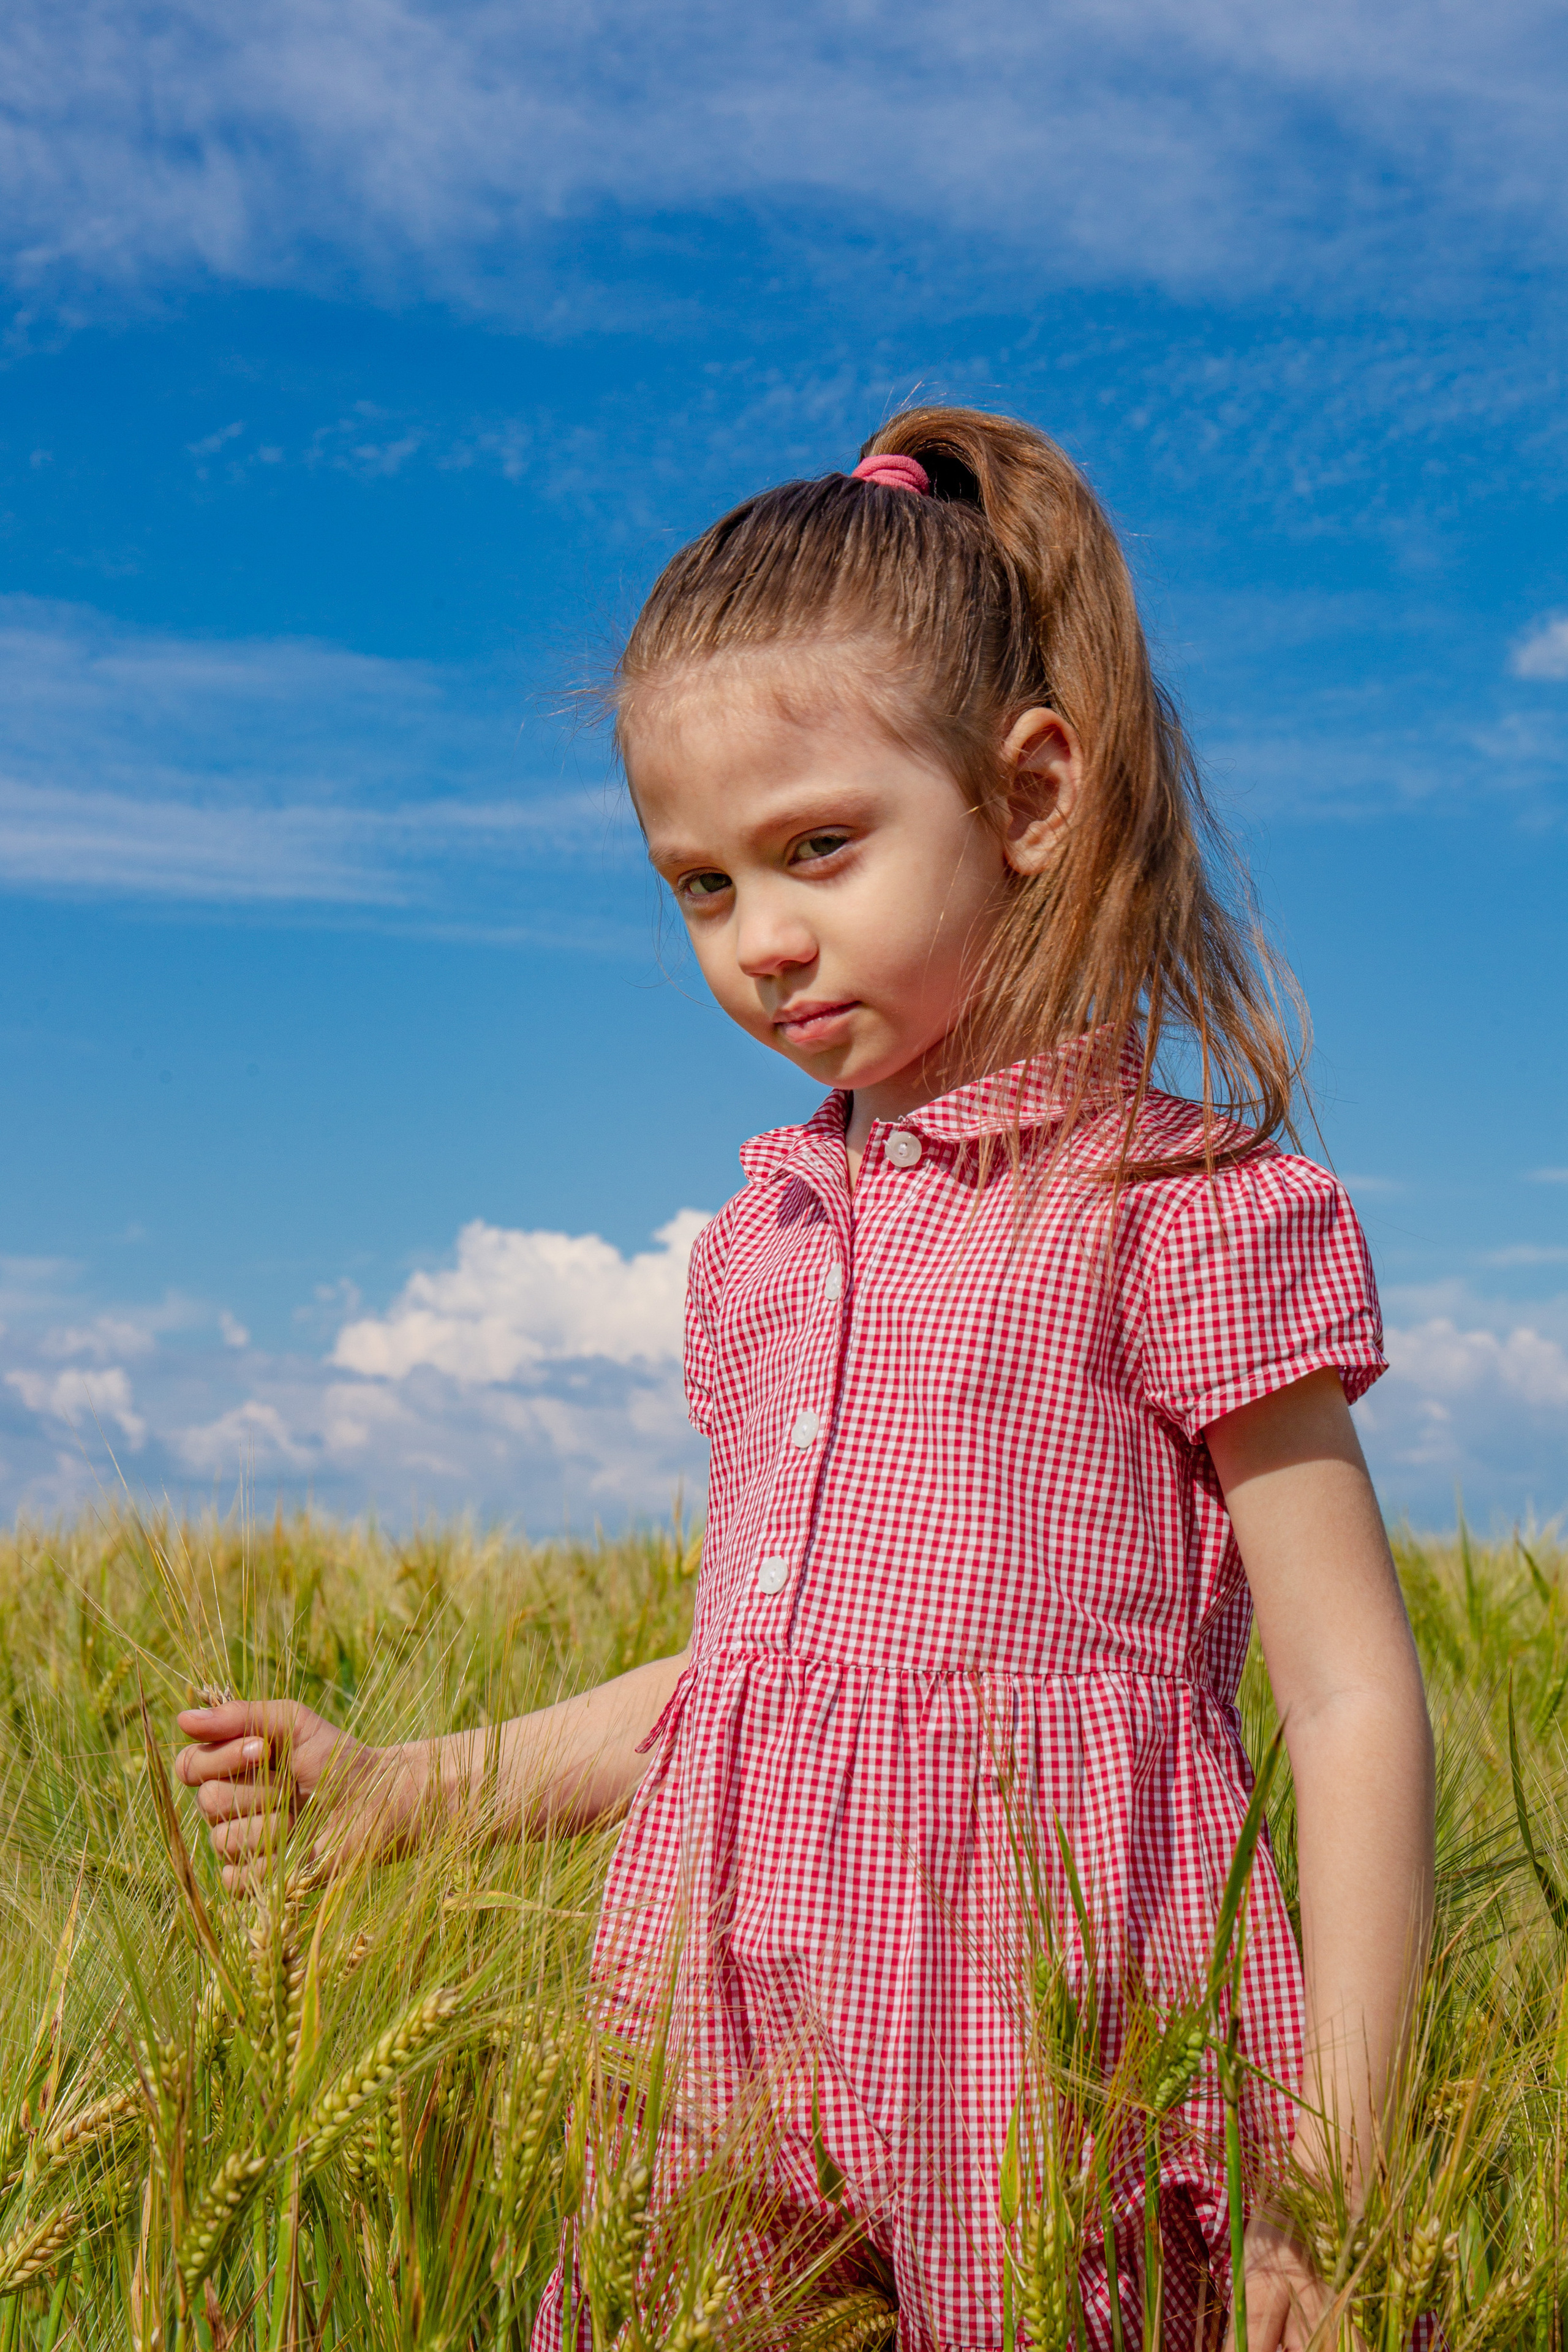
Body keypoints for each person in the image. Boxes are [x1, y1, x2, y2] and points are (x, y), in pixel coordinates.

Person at [175, 409, 1435, 2352]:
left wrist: (1338, 2188)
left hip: (1042, 2056)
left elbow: (1350, 1697)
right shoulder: (760, 1251)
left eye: (817, 850)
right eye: (696, 887)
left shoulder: (1181, 1211)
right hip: (721, 2037)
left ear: (1030, 796)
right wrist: (408, 1794)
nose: (760, 941)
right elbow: (760, 1682)